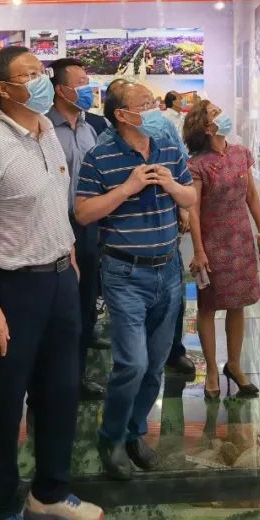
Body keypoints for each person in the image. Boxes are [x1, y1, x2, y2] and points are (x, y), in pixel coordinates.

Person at [0, 47, 103, 520]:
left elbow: (55, 204)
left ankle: (49, 493)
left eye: (42, 71)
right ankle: (0, 510)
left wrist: (70, 258)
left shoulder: (47, 134)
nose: (42, 80)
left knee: (60, 394)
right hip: (11, 289)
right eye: (31, 74)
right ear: (4, 89)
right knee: (4, 404)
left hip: (59, 281)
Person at [76, 79, 197, 481]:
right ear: (123, 115)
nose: (154, 108)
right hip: (124, 273)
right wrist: (127, 188)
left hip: (169, 270)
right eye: (145, 104)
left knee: (156, 366)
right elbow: (84, 213)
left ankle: (134, 431)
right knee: (132, 363)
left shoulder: (168, 147)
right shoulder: (100, 156)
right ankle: (110, 436)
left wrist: (171, 185)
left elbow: (191, 197)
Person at [182, 101, 260, 400]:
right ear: (207, 128)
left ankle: (234, 365)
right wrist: (198, 250)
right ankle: (211, 370)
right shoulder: (197, 164)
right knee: (208, 306)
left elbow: (252, 195)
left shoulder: (241, 153)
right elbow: (193, 210)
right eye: (215, 113)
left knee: (238, 303)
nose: (223, 115)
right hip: (212, 243)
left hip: (240, 240)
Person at [46, 58, 108, 401]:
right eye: (81, 82)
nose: (89, 87)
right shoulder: (43, 129)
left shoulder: (90, 128)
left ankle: (78, 374)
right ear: (61, 90)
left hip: (89, 227)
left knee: (85, 301)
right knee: (60, 306)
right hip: (56, 226)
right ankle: (55, 377)